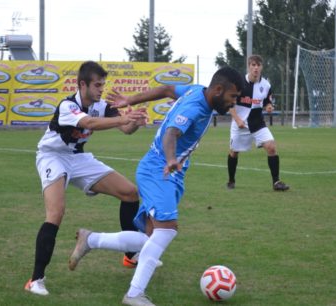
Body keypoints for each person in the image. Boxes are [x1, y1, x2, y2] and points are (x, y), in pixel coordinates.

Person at [68, 66, 244, 306]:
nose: (233, 103)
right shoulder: (194, 106)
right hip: (159, 170)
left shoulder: (196, 90)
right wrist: (171, 159)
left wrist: (129, 99)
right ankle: (134, 294)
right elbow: (170, 134)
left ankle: (91, 239)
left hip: (168, 172)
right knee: (166, 230)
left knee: (151, 238)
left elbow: (166, 89)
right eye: (232, 97)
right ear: (218, 89)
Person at [24, 61, 149, 296]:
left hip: (78, 158)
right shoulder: (67, 106)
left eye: (103, 84)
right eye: (97, 85)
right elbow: (88, 123)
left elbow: (125, 130)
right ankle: (35, 280)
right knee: (56, 213)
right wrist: (123, 119)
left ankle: (131, 255)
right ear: (82, 84)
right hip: (52, 157)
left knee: (130, 192)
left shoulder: (102, 105)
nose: (102, 89)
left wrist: (135, 122)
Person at [226, 54, 289, 191]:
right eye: (253, 65)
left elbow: (267, 101)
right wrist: (237, 120)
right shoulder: (238, 83)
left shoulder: (266, 85)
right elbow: (230, 104)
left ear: (261, 67)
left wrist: (268, 106)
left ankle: (276, 182)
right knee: (234, 152)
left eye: (258, 65)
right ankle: (231, 180)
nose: (256, 68)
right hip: (240, 123)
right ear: (249, 66)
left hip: (257, 122)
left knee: (271, 147)